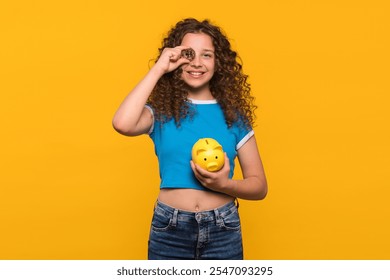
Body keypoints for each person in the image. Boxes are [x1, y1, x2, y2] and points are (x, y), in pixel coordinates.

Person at [112, 18, 267, 260]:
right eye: (188, 54)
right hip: (169, 227)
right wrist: (159, 68)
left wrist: (223, 185)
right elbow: (122, 123)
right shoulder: (162, 111)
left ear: (219, 62)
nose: (196, 62)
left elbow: (259, 186)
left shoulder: (233, 116)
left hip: (223, 227)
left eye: (206, 55)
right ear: (175, 59)